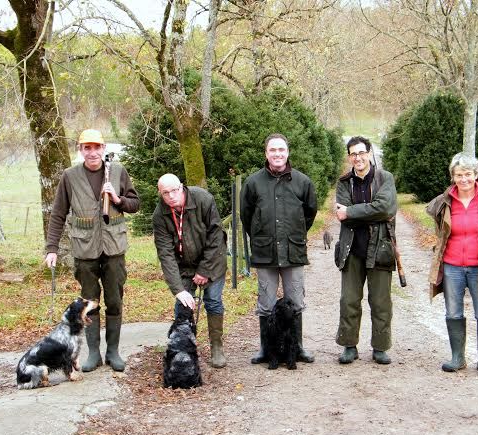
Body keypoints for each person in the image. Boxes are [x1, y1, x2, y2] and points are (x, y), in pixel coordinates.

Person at [45, 128, 140, 372]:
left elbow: (135, 204)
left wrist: (117, 199)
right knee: (90, 302)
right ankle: (93, 354)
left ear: (103, 148)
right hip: (84, 251)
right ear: (80, 150)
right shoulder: (70, 176)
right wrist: (51, 248)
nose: (92, 152)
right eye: (87, 148)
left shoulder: (118, 171)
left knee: (115, 301)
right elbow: (58, 214)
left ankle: (113, 352)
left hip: (114, 248)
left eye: (96, 147)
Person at [426, 153, 478, 376]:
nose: (464, 179)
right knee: (453, 312)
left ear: (476, 175)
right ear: (453, 177)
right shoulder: (444, 202)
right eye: (459, 175)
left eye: (468, 174)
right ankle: (457, 358)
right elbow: (441, 231)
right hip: (452, 266)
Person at [240, 133, 318, 364]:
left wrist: (294, 233)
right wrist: (262, 236)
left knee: (295, 301)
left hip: (293, 251)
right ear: (266, 153)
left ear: (287, 152)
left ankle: (298, 347)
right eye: (272, 150)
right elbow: (247, 216)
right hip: (265, 253)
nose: (277, 154)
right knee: (265, 303)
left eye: (281, 150)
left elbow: (309, 214)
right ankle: (266, 349)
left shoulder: (302, 182)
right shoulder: (253, 183)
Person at [152, 173, 228, 368]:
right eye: (165, 193)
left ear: (181, 187)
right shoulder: (160, 215)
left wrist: (204, 270)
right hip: (183, 266)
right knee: (183, 305)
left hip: (213, 261)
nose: (171, 196)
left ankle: (217, 347)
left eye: (174, 190)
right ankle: (182, 346)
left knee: (213, 301)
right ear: (160, 194)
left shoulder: (203, 199)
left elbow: (216, 238)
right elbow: (166, 254)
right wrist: (178, 289)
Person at [334, 136, 398, 365]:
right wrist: (366, 213)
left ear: (369, 153)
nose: (358, 158)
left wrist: (352, 212)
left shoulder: (385, 179)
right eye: (353, 154)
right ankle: (349, 346)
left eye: (361, 152)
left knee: (381, 302)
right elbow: (343, 216)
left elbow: (386, 208)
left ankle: (380, 347)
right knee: (349, 300)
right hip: (351, 249)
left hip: (380, 248)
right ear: (349, 157)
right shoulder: (344, 182)